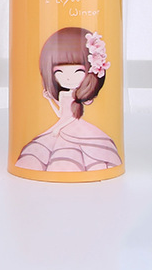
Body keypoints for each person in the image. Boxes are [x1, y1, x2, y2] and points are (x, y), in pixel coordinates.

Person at [16, 27, 121, 172]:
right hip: (61, 126)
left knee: (81, 155)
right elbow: (60, 114)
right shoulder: (63, 95)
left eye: (78, 71)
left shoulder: (77, 98)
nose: (68, 78)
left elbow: (73, 117)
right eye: (59, 71)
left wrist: (59, 127)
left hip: (74, 127)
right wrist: (49, 100)